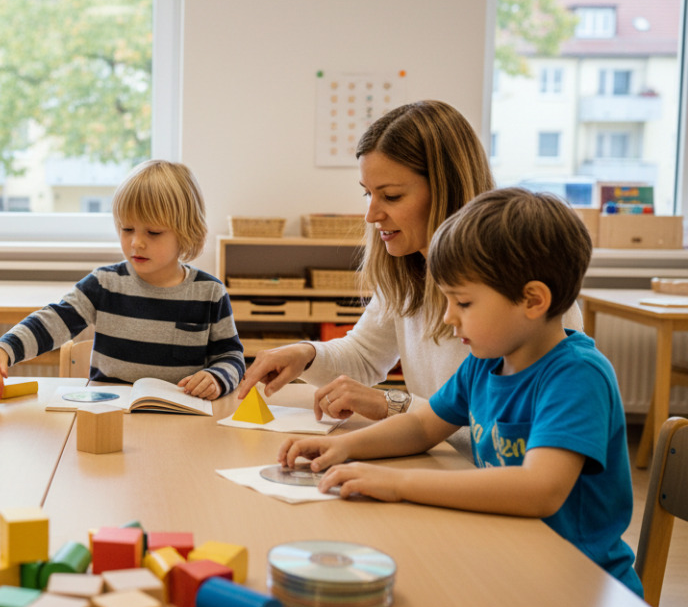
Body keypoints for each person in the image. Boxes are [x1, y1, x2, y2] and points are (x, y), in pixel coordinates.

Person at [278, 187, 642, 597]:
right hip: (511, 559)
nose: (448, 317)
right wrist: (345, 448)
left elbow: (538, 490)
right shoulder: (486, 362)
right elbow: (420, 426)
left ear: (533, 300)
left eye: (463, 302)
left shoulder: (577, 376)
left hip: (579, 583)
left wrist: (399, 484)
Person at [238, 100, 581, 440]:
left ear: (446, 190)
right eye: (368, 194)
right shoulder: (410, 270)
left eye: (391, 196)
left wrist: (393, 405)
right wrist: (307, 354)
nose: (371, 215)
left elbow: (507, 436)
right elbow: (365, 355)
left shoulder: (518, 297)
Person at [0, 159, 245, 400]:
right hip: (108, 416)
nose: (136, 243)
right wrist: (3, 350)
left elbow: (231, 357)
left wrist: (217, 378)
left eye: (153, 233)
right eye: (127, 229)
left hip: (178, 419)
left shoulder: (209, 293)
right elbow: (53, 321)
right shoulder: (105, 283)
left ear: (186, 232)